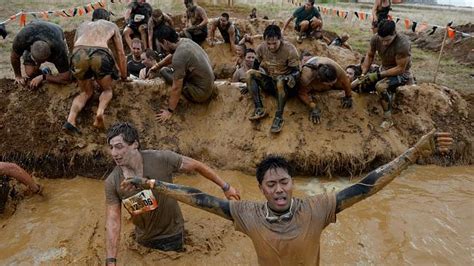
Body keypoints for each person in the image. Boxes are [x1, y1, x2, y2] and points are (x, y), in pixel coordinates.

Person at [123, 130, 453, 265]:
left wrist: (411, 155)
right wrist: (152, 183)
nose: (279, 189)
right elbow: (196, 197)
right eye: (271, 184)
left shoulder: (318, 207)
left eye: (284, 182)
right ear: (262, 189)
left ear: (293, 184)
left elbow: (367, 186)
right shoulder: (247, 213)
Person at [104, 122, 240, 264]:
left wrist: (226, 187)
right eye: (111, 148)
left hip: (172, 236)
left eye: (119, 147)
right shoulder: (112, 182)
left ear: (135, 144)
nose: (114, 153)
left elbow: (197, 166)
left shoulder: (161, 159)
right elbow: (113, 221)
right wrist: (111, 260)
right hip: (142, 240)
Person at [64, 9, 128, 134]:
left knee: (85, 92)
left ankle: (70, 120)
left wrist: (76, 73)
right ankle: (100, 113)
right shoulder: (111, 25)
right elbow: (121, 53)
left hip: (79, 53)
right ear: (107, 18)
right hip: (100, 54)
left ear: (93, 18)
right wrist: (124, 76)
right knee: (107, 89)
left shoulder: (82, 25)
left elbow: (74, 48)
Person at [147, 25, 215, 123]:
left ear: (165, 42)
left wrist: (169, 111)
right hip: (208, 84)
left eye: (161, 45)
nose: (162, 48)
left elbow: (176, 88)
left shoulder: (179, 56)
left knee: (164, 71)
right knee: (165, 69)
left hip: (201, 93)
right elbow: (173, 55)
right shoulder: (185, 41)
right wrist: (157, 66)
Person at [355, 19, 414, 129]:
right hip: (384, 69)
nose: (384, 43)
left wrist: (378, 75)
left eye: (387, 40)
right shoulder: (376, 38)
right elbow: (370, 55)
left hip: (401, 74)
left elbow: (400, 68)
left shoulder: (403, 44)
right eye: (382, 40)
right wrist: (364, 73)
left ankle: (388, 118)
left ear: (394, 33)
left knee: (380, 86)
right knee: (359, 84)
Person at [246, 25, 300, 133]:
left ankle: (279, 117)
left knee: (280, 81)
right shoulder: (261, 48)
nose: (271, 46)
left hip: (287, 86)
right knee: (249, 74)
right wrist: (250, 85)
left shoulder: (290, 49)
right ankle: (259, 108)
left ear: (280, 39)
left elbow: (297, 71)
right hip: (272, 81)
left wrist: (290, 77)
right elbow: (255, 66)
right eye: (268, 43)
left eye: (274, 43)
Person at [10, 21, 71, 89]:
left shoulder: (58, 48)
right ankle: (45, 71)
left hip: (55, 31)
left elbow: (66, 79)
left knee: (66, 71)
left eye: (41, 62)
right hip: (33, 31)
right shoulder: (23, 38)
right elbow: (14, 57)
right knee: (30, 73)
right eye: (36, 61)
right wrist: (18, 76)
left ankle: (45, 73)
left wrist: (43, 77)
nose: (38, 64)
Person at [298, 56, 352, 124]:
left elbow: (346, 81)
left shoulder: (336, 68)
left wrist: (348, 96)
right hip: (312, 80)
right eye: (329, 84)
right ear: (320, 81)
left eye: (332, 83)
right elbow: (301, 93)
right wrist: (313, 106)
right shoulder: (306, 78)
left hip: (327, 73)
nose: (331, 85)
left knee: (342, 85)